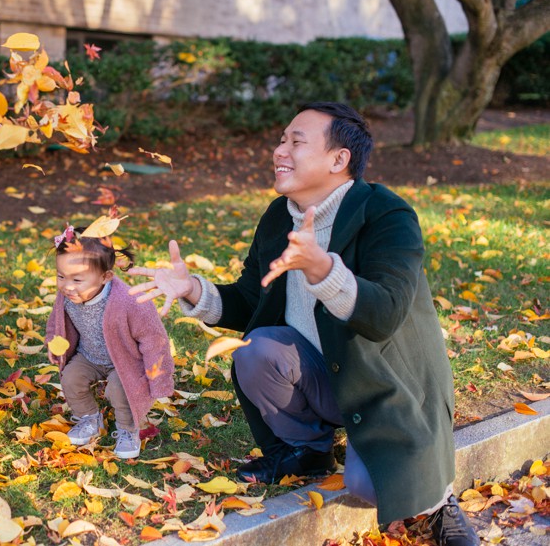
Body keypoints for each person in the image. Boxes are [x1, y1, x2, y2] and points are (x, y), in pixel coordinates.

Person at [127, 102, 478, 545]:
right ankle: (307, 452)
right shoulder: (280, 216)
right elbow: (252, 300)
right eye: (280, 140)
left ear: (338, 159)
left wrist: (323, 270)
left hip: (386, 387)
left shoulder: (387, 214)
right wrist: (192, 289)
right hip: (323, 374)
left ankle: (439, 505)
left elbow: (385, 312)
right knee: (256, 349)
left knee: (370, 487)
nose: (280, 150)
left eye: (296, 141)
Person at [45, 225, 174, 459]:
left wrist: (160, 379)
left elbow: (154, 340)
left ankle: (128, 429)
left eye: (76, 279)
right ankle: (89, 418)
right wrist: (54, 344)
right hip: (89, 355)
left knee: (120, 390)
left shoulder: (131, 303)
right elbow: (57, 321)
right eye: (60, 276)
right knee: (71, 379)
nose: (66, 285)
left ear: (106, 276)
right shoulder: (69, 294)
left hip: (124, 360)